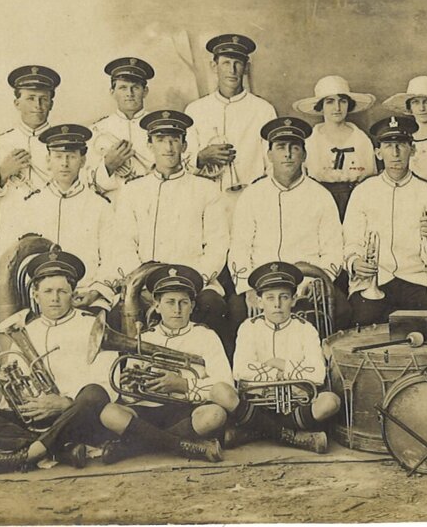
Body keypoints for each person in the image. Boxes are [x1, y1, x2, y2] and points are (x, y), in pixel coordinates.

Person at [0, 250, 116, 474]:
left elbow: (106, 381)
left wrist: (65, 402)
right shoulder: (26, 331)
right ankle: (61, 450)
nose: (55, 298)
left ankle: (28, 453)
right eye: (48, 291)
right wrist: (12, 389)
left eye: (62, 291)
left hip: (77, 416)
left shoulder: (92, 325)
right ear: (36, 296)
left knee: (94, 393)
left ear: (72, 294)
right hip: (38, 418)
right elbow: (19, 384)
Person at [111, 110, 231, 350]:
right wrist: (139, 284)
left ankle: (207, 379)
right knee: (115, 317)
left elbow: (217, 247)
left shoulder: (206, 190)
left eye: (174, 139)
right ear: (149, 145)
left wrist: (191, 283)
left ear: (184, 145)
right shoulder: (133, 191)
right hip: (144, 287)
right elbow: (123, 243)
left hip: (195, 287)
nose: (168, 147)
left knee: (214, 306)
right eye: (160, 139)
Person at [98, 264, 237, 464]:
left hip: (186, 410)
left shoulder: (206, 336)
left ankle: (134, 446)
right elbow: (128, 397)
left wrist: (184, 385)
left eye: (183, 303)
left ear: (192, 306)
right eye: (170, 302)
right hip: (148, 410)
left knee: (215, 414)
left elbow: (225, 384)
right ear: (157, 304)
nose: (177, 310)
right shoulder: (144, 337)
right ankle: (182, 445)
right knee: (109, 413)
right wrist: (130, 384)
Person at [229, 117, 349, 339]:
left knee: (341, 309)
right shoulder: (252, 195)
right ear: (269, 154)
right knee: (234, 312)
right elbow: (239, 246)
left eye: (294, 148)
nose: (288, 154)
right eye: (281, 148)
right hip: (261, 283)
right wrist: (247, 288)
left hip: (306, 283)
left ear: (304, 155)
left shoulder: (320, 195)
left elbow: (333, 248)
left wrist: (319, 282)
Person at [343, 115, 427, 326]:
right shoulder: (363, 191)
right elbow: (351, 240)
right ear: (378, 153)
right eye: (388, 146)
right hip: (375, 278)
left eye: (401, 145)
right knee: (363, 318)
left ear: (412, 150)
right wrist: (355, 262)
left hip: (417, 279)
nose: (395, 153)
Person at [0, 124, 116, 311]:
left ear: (83, 161)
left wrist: (95, 292)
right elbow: (14, 260)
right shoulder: (30, 204)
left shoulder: (100, 206)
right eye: (58, 157)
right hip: (39, 300)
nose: (65, 164)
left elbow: (113, 257)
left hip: (85, 297)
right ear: (48, 161)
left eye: (72, 157)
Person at [227, 262, 342, 454]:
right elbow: (240, 370)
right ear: (259, 300)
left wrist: (280, 364)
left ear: (294, 299)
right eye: (270, 298)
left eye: (284, 297)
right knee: (224, 394)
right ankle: (289, 435)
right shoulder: (248, 327)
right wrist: (283, 374)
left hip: (295, 407)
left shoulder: (306, 328)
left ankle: (256, 431)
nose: (277, 304)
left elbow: (318, 374)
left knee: (330, 402)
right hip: (258, 406)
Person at [0, 65, 61, 269]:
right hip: (14, 232)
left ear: (51, 103)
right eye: (30, 98)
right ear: (17, 103)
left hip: (56, 229)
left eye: (43, 99)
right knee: (12, 295)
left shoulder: (64, 143)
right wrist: (2, 174)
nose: (37, 105)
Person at [185, 34, 276, 198]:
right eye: (226, 63)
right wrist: (201, 157)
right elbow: (183, 164)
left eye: (237, 63)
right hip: (208, 198)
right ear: (214, 66)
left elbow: (272, 164)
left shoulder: (263, 110)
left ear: (246, 68)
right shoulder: (195, 110)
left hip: (252, 198)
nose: (232, 70)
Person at [293, 75, 377, 220]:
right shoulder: (311, 140)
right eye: (330, 102)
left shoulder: (360, 139)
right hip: (318, 200)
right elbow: (302, 177)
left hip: (356, 201)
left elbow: (371, 177)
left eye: (342, 101)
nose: (337, 108)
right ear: (321, 106)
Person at [89, 57, 157, 201]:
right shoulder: (97, 130)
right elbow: (87, 183)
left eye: (135, 87)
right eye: (123, 87)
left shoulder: (159, 125)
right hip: (114, 207)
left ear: (145, 91)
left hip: (154, 203)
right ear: (112, 92)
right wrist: (108, 166)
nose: (129, 93)